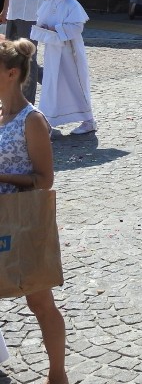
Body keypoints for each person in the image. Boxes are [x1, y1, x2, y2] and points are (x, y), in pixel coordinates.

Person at [0, 38, 69, 384]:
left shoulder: (32, 120)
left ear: (11, 73)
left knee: (39, 302)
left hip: (21, 222)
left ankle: (57, 374)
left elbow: (44, 179)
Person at [31, 0, 96, 135]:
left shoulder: (72, 5)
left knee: (74, 81)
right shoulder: (48, 2)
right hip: (53, 51)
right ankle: (49, 119)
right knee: (52, 83)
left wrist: (57, 29)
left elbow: (77, 27)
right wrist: (44, 29)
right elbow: (41, 21)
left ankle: (88, 119)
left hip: (69, 51)